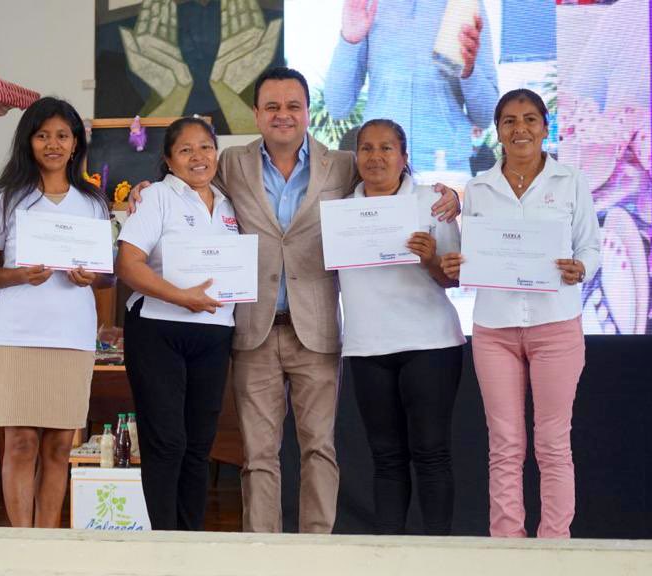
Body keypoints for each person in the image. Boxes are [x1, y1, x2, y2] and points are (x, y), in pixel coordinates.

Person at [129, 66, 460, 533]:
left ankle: (316, 554)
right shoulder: (232, 164)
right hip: (254, 328)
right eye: (272, 107)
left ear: (307, 112)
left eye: (293, 106)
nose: (283, 115)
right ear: (256, 114)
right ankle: (262, 555)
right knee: (259, 454)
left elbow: (392, 187)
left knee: (319, 449)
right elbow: (188, 177)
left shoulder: (343, 164)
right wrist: (150, 187)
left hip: (317, 328)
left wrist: (444, 196)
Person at [441, 89, 601, 538]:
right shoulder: (478, 189)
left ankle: (555, 547)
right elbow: (467, 254)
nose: (520, 128)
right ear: (498, 132)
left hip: (556, 326)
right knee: (505, 445)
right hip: (495, 330)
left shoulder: (570, 181)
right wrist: (456, 263)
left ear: (545, 127)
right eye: (509, 121)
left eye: (530, 119)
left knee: (553, 444)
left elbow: (590, 244)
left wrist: (582, 266)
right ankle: (507, 548)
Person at [0, 97, 112, 528]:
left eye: (62, 136)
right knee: (19, 443)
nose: (53, 144)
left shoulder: (93, 202)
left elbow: (106, 275)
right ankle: (22, 546)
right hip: (17, 335)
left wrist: (91, 278)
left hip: (71, 337)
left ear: (75, 144)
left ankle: (47, 545)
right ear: (28, 142)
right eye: (42, 135)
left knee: (57, 447)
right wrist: (19, 276)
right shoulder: (7, 198)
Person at [340, 119, 465, 535]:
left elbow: (454, 277)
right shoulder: (341, 208)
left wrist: (430, 259)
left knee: (430, 453)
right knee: (386, 458)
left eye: (387, 148)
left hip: (430, 344)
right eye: (368, 148)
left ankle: (437, 558)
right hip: (367, 347)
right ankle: (389, 557)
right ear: (356, 157)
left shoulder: (433, 202)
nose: (376, 157)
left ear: (404, 156)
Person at [115, 117, 236, 531]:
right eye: (186, 150)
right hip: (158, 330)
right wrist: (180, 296)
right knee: (166, 443)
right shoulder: (157, 198)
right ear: (168, 159)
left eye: (205, 147)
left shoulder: (230, 202)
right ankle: (163, 545)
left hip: (216, 333)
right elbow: (128, 265)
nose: (198, 157)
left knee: (199, 446)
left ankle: (191, 544)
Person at [327, 0, 498, 173]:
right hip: (380, 172)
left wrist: (469, 72)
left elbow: (485, 116)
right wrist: (349, 41)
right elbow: (337, 107)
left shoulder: (466, 3)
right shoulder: (368, 4)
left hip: (445, 171)